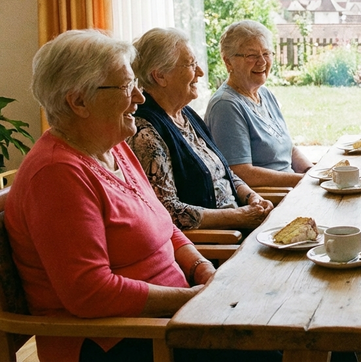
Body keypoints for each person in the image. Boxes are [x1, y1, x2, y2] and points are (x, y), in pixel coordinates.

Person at [5, 29, 280, 362]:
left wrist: (201, 268)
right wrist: (191, 297)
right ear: (78, 101)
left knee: (284, 312)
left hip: (171, 316)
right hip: (124, 339)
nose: (139, 96)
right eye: (125, 86)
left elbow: (165, 223)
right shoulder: (56, 174)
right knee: (284, 345)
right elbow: (91, 293)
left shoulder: (116, 147)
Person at [127, 28, 274, 230]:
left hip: (240, 224)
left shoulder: (186, 114)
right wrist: (239, 216)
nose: (200, 72)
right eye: (191, 65)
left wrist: (251, 197)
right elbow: (168, 211)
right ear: (160, 75)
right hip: (219, 239)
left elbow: (222, 171)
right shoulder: (145, 132)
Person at [205, 20, 313, 187]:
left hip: (293, 187)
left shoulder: (265, 94)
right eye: (252, 55)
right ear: (228, 62)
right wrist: (305, 181)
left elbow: (288, 149)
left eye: (266, 53)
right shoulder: (226, 106)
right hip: (272, 196)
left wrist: (311, 171)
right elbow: (241, 174)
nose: (262, 61)